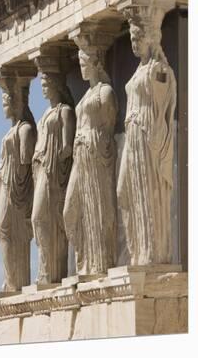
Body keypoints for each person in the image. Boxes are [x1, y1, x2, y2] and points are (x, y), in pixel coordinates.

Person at [117, 18, 176, 265]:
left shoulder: (157, 69)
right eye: (131, 38)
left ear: (150, 38)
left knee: (148, 192)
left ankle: (151, 253)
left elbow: (163, 103)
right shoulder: (139, 71)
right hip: (133, 135)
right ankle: (137, 251)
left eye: (137, 37)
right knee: (124, 191)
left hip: (147, 134)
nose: (133, 42)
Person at [64, 49, 118, 275]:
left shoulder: (105, 93)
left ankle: (99, 264)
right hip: (80, 156)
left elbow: (108, 128)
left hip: (95, 155)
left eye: (84, 62)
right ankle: (83, 259)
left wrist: (95, 147)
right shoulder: (87, 95)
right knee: (70, 210)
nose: (81, 67)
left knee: (98, 208)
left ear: (96, 63)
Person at [32, 72, 75, 284]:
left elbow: (67, 146)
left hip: (52, 170)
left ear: (57, 84)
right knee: (39, 219)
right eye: (42, 84)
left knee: (41, 217)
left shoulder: (64, 112)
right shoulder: (45, 114)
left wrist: (53, 158)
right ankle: (45, 270)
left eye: (47, 83)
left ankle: (52, 271)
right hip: (40, 169)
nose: (43, 87)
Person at [0, 83, 36, 291]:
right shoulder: (14, 129)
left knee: (6, 231)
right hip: (5, 185)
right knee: (3, 232)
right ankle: (12, 280)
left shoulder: (25, 130)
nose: (3, 106)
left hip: (15, 189)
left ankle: (16, 281)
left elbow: (26, 165)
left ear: (16, 101)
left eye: (6, 101)